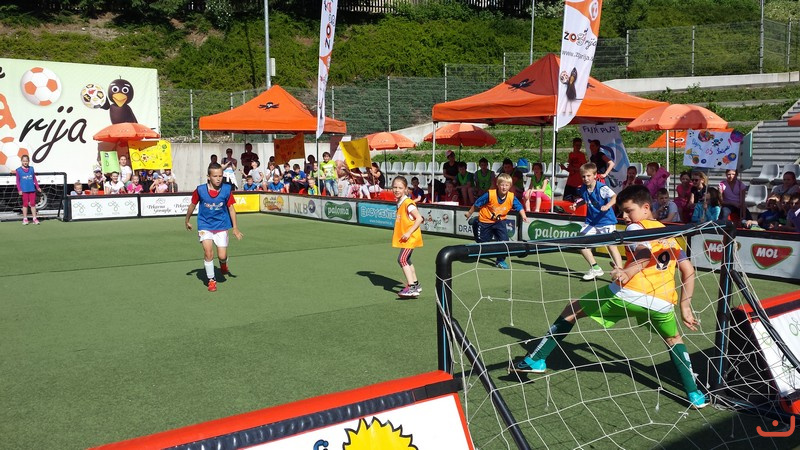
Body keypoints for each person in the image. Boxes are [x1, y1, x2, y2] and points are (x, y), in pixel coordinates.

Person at [511, 185, 708, 410]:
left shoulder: (636, 226)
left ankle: (537, 359)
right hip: (662, 302)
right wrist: (685, 306)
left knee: (572, 310)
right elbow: (688, 269)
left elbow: (643, 254)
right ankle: (694, 394)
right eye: (622, 212)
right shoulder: (668, 234)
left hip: (630, 292)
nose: (625, 217)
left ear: (646, 208)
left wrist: (627, 272)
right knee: (674, 340)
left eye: (629, 210)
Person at [185, 162, 243, 292]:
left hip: (221, 226)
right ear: (208, 177)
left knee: (222, 256)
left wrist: (235, 228)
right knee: (208, 252)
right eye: (215, 176)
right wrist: (187, 220)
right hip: (204, 225)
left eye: (220, 176)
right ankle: (211, 280)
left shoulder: (227, 189)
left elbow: (231, 209)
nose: (218, 179)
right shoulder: (200, 190)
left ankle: (223, 264)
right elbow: (192, 205)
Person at [464, 173, 530, 269]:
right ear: (498, 185)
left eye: (507, 185)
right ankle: (476, 221)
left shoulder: (511, 197)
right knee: (483, 244)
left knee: (504, 241)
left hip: (500, 221)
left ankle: (500, 260)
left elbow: (519, 206)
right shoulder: (490, 194)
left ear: (510, 186)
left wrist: (524, 216)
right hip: (485, 220)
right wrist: (469, 213)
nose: (504, 187)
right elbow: (477, 203)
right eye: (502, 185)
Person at [570, 163, 623, 280]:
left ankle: (620, 272)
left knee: (611, 246)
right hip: (591, 222)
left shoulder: (602, 188)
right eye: (583, 176)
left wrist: (607, 206)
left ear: (595, 175)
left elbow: (615, 197)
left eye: (588, 176)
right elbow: (585, 200)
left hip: (606, 221)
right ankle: (595, 268)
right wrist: (576, 205)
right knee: (579, 242)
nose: (586, 178)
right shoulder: (583, 188)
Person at [391, 176, 424, 298]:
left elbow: (419, 218)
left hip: (410, 238)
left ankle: (411, 287)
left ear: (405, 189)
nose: (397, 190)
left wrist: (409, 232)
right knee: (407, 259)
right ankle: (416, 284)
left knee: (402, 259)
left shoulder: (408, 203)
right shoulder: (400, 202)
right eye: (395, 187)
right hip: (407, 238)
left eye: (400, 188)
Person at [16, 154, 42, 225]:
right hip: (24, 190)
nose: (25, 162)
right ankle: (25, 219)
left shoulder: (31, 169)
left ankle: (34, 218)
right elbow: (17, 181)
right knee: (25, 204)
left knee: (33, 204)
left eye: (26, 161)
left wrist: (38, 187)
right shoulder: (18, 170)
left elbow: (34, 178)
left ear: (29, 161)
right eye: (24, 161)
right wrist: (19, 190)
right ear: (21, 161)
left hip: (32, 189)